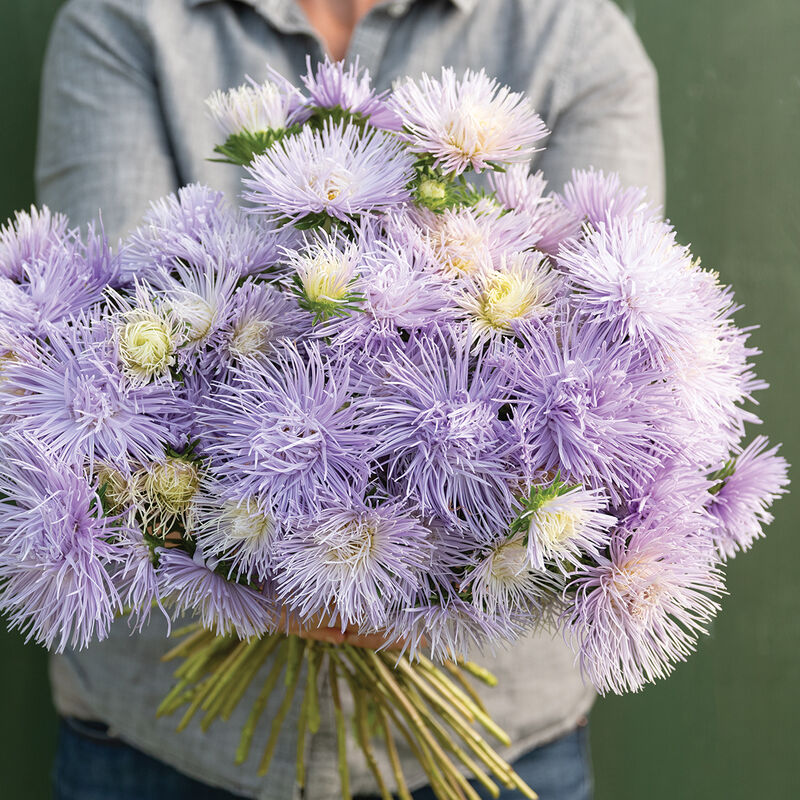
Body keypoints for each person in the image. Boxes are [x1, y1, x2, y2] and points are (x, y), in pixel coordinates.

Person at [36, 1, 664, 798]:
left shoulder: (574, 33)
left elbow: (611, 343)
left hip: (496, 747)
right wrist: (281, 560)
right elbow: (116, 339)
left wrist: (398, 561)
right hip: (160, 741)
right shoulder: (124, 19)